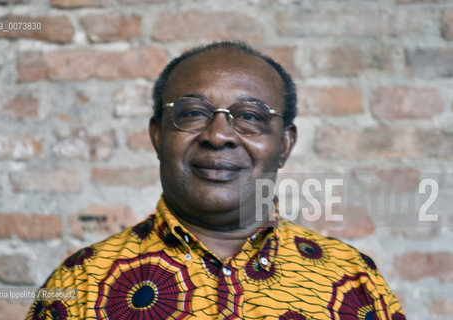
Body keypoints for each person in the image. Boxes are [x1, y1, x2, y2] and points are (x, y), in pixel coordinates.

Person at [26, 41, 406, 320]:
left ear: (285, 144)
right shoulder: (81, 283)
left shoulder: (354, 282)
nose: (219, 134)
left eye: (250, 116)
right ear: (158, 136)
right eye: (192, 112)